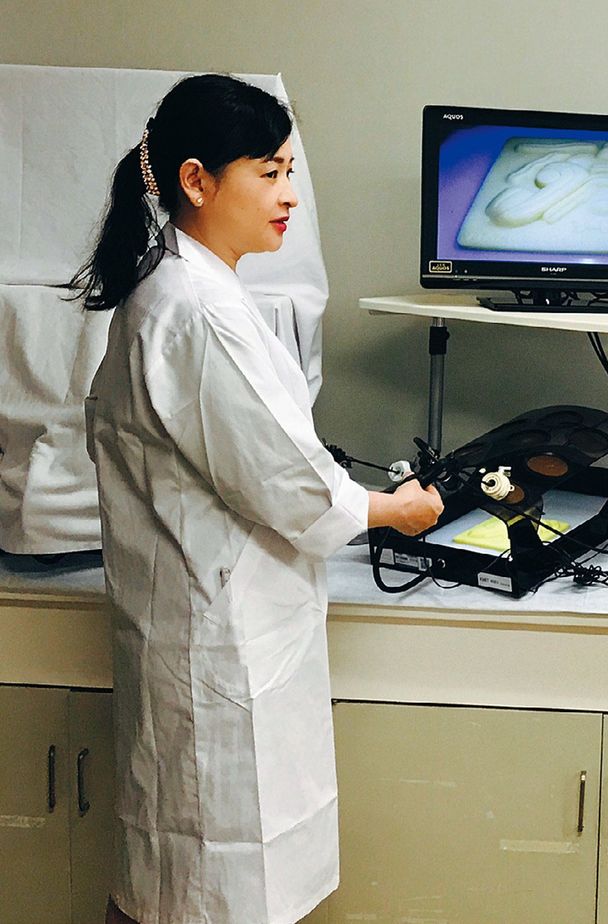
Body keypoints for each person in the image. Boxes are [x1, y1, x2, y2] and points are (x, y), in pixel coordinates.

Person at [69, 74, 443, 924]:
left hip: (204, 625)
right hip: (217, 643)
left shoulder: (181, 285)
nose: (289, 196)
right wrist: (394, 509)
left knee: (177, 874)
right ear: (196, 181)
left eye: (289, 172)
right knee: (206, 883)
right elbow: (287, 482)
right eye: (268, 173)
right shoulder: (198, 310)